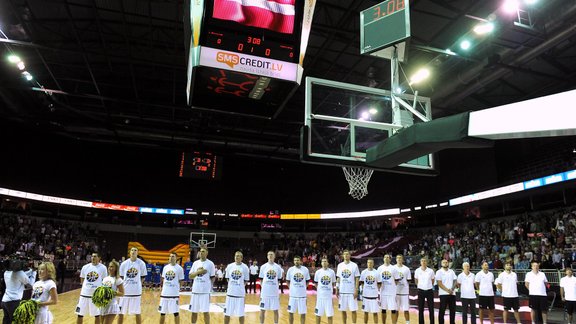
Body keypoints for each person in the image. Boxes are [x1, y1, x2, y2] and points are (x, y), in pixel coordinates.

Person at [76, 252, 108, 324]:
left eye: (95, 256)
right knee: (80, 314)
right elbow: (82, 279)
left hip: (96, 296)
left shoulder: (103, 268)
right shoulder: (85, 267)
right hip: (84, 295)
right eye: (92, 256)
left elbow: (105, 280)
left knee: (97, 315)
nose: (93, 258)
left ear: (99, 258)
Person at [118, 247, 148, 324]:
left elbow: (143, 277)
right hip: (125, 292)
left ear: (137, 253)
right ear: (129, 252)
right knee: (120, 312)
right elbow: (121, 277)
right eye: (132, 250)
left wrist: (138, 284)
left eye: (135, 250)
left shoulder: (141, 263)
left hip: (136, 292)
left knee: (137, 312)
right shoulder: (124, 264)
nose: (133, 252)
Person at [189, 247, 216, 324]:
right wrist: (199, 272)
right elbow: (190, 276)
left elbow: (212, 278)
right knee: (194, 312)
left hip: (205, 292)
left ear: (207, 253)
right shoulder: (195, 263)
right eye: (200, 251)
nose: (201, 253)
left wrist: (209, 287)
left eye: (203, 251)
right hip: (195, 291)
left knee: (206, 312)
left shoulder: (210, 264)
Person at [224, 251, 250, 324]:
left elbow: (245, 281)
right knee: (227, 314)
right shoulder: (229, 266)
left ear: (241, 258)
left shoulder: (245, 267)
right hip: (230, 294)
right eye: (236, 256)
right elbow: (228, 279)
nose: (237, 257)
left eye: (238, 256)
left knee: (241, 315)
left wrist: (239, 286)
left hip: (240, 295)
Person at [259, 250, 284, 324]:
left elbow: (279, 280)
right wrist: (264, 287)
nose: (270, 256)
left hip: (274, 293)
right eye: (269, 254)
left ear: (274, 256)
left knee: (275, 310)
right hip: (265, 293)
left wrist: (274, 287)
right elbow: (261, 279)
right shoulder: (263, 267)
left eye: (272, 254)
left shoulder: (278, 267)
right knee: (262, 310)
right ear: (267, 256)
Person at [159, 252, 184, 324]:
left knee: (176, 313)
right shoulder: (165, 267)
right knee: (162, 313)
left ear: (176, 258)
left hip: (174, 295)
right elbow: (163, 279)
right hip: (164, 294)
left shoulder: (179, 268)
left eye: (173, 256)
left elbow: (181, 281)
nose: (171, 258)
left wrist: (177, 288)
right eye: (170, 256)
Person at [336, 250, 360, 324]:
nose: (346, 255)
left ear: (350, 255)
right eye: (344, 254)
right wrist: (337, 288)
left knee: (353, 310)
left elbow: (357, 278)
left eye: (347, 254)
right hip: (342, 291)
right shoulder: (340, 265)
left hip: (351, 292)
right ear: (343, 256)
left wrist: (356, 290)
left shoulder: (354, 265)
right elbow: (338, 278)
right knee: (343, 310)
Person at [286, 255, 311, 324]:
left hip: (302, 296)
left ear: (300, 261)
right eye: (295, 260)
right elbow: (287, 281)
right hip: (292, 296)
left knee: (302, 313)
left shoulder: (305, 269)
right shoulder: (290, 269)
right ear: (293, 261)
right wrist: (290, 288)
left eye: (297, 260)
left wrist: (304, 287)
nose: (296, 261)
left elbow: (308, 281)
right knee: (290, 312)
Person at [378, 254, 399, 324]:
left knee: (393, 310)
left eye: (388, 257)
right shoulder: (380, 268)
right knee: (383, 310)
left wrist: (392, 287)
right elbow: (378, 280)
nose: (386, 258)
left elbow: (396, 281)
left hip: (391, 293)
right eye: (385, 257)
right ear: (383, 259)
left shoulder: (393, 269)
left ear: (390, 259)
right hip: (383, 292)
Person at [314, 257, 336, 324]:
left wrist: (329, 290)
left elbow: (333, 283)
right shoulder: (318, 272)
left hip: (328, 297)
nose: (324, 262)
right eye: (323, 261)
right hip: (320, 297)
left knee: (329, 315)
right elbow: (316, 283)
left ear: (328, 263)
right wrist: (320, 290)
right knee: (318, 315)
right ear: (321, 263)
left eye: (325, 261)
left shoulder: (332, 272)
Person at [360, 258, 380, 324]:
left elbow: (379, 283)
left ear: (373, 264)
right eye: (368, 262)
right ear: (367, 263)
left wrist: (375, 289)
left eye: (371, 263)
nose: (369, 264)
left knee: (375, 313)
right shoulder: (363, 272)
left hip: (374, 296)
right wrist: (364, 289)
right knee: (365, 312)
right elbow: (362, 282)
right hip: (366, 295)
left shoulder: (377, 272)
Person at [414, 258, 435, 324]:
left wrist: (427, 286)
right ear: (420, 262)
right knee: (420, 309)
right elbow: (416, 280)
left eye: (425, 261)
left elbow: (432, 280)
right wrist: (420, 286)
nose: (423, 262)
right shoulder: (417, 270)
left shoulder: (431, 271)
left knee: (431, 309)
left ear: (427, 262)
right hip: (420, 291)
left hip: (429, 291)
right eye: (422, 261)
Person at [436, 259, 457, 324]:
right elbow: (439, 283)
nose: (445, 263)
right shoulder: (439, 272)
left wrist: (452, 289)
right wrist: (447, 290)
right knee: (442, 310)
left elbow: (455, 281)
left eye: (446, 262)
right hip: (443, 294)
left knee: (452, 311)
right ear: (441, 264)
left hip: (452, 294)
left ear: (448, 263)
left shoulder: (452, 271)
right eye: (444, 262)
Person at [395, 255, 412, 324]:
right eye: (398, 258)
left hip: (404, 292)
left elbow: (409, 280)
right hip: (395, 292)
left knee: (406, 310)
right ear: (396, 259)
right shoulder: (393, 268)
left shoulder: (406, 269)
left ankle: (408, 323)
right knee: (395, 310)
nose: (399, 259)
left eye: (400, 258)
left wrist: (402, 283)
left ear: (403, 260)